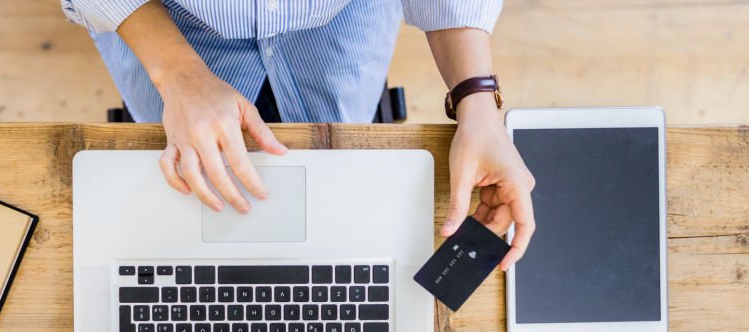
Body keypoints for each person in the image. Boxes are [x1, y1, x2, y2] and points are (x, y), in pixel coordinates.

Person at [61, 0, 535, 269]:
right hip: (161, 18)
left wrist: (477, 100)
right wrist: (177, 73)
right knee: (180, 176)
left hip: (343, 17)